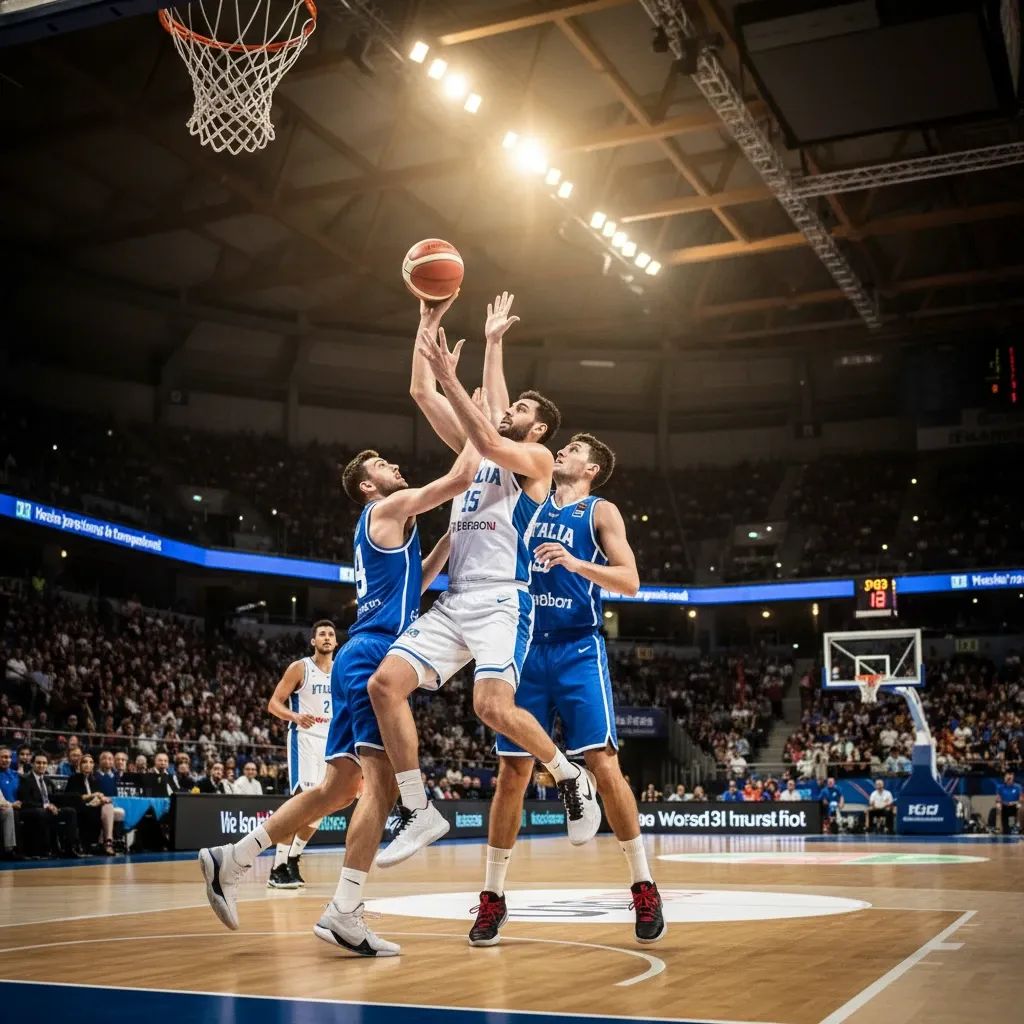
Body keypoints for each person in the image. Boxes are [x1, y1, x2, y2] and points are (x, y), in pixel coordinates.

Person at [199, 440, 476, 957]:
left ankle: (232, 858)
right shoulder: (385, 507)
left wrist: (460, 536)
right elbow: (461, 478)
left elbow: (420, 582)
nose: (395, 464)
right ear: (368, 486)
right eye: (381, 465)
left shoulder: (394, 528)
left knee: (338, 789)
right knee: (381, 786)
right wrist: (477, 433)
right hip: (373, 653)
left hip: (360, 652)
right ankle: (345, 909)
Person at [369, 293, 600, 869]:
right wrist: (431, 327)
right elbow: (422, 394)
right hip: (455, 598)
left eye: (520, 405)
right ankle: (420, 809)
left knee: (491, 707)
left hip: (504, 597)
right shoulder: (476, 453)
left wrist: (456, 378)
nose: (507, 405)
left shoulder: (538, 461)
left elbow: (496, 434)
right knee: (384, 686)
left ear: (538, 427)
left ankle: (569, 775)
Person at [473, 425, 663, 944]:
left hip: (579, 647)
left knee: (604, 764)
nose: (562, 452)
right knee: (512, 773)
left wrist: (575, 561)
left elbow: (631, 580)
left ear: (592, 468)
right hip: (526, 644)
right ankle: (492, 898)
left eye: (574, 450)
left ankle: (643, 886)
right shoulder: (529, 501)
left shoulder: (599, 510)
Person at [264, 621, 337, 890]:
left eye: (331, 634)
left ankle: (293, 857)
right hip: (304, 738)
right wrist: (295, 716)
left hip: (331, 741)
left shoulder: (340, 671)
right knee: (301, 801)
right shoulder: (300, 667)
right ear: (313, 641)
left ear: (336, 643)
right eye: (322, 634)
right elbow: (273, 704)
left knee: (324, 805)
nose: (327, 638)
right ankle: (277, 867)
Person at [17, 752, 80, 858]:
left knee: (70, 812)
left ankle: (69, 848)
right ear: (32, 764)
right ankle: (46, 849)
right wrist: (45, 806)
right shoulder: (25, 780)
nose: (41, 765)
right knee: (43, 812)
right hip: (31, 810)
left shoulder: (48, 781)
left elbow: (54, 798)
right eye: (38, 763)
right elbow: (25, 801)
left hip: (48, 810)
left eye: (44, 763)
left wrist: (54, 806)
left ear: (47, 765)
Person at [64, 753, 122, 855]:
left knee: (108, 805)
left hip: (94, 808)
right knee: (102, 809)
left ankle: (108, 842)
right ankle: (102, 843)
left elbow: (98, 797)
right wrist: (92, 796)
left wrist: (102, 799)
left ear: (93, 765)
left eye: (90, 762)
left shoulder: (95, 780)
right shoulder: (73, 779)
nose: (88, 764)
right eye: (85, 762)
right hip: (79, 809)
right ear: (79, 765)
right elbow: (73, 798)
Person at [0, 747, 19, 858]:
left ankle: (11, 849)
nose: (6, 760)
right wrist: (11, 804)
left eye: (8, 757)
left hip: (10, 807)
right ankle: (9, 850)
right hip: (6, 807)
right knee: (9, 811)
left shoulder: (16, 775)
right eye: (3, 757)